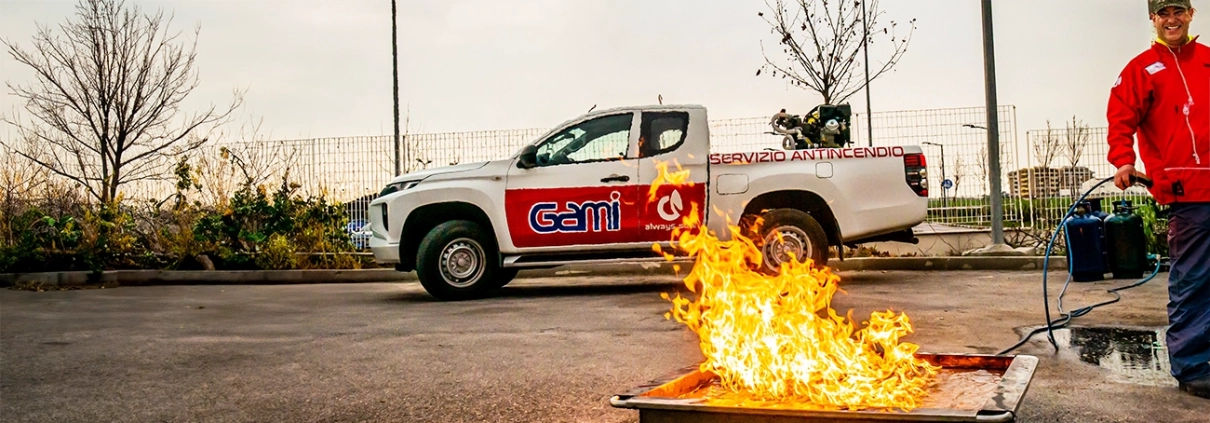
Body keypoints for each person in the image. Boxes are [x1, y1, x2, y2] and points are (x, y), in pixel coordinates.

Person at [1107, 0, 1210, 399]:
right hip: (1188, 195)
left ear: (1190, 15)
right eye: (1163, 13)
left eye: (1178, 12)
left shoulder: (1206, 61)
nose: (1172, 20)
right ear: (1153, 19)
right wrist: (1122, 161)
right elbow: (1120, 119)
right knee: (1194, 282)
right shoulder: (1140, 69)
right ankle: (1193, 365)